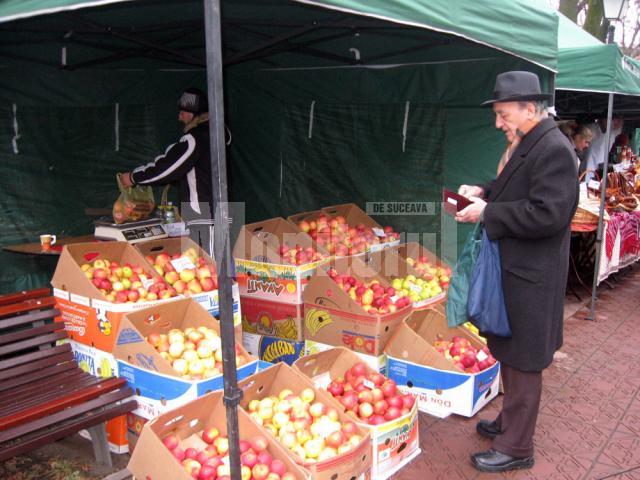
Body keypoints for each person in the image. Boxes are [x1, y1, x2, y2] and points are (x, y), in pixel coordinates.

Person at [456, 71, 579, 473]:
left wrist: (490, 211)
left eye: (503, 114)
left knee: (524, 363)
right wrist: (483, 192)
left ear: (530, 108)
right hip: (517, 274)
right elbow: (515, 190)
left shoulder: (554, 148)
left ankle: (517, 448)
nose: (498, 123)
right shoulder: (531, 142)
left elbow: (550, 213)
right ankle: (509, 423)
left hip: (532, 279)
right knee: (509, 353)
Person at [119, 87, 215, 252]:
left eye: (183, 113)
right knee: (216, 266)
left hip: (201, 213)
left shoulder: (195, 138)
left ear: (193, 114)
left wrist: (134, 177)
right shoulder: (218, 135)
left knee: (206, 264)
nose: (179, 118)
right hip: (219, 211)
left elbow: (168, 167)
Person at [582, 113, 623, 179]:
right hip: (588, 164)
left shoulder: (612, 133)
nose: (615, 125)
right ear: (603, 120)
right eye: (614, 122)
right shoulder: (591, 128)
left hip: (600, 167)